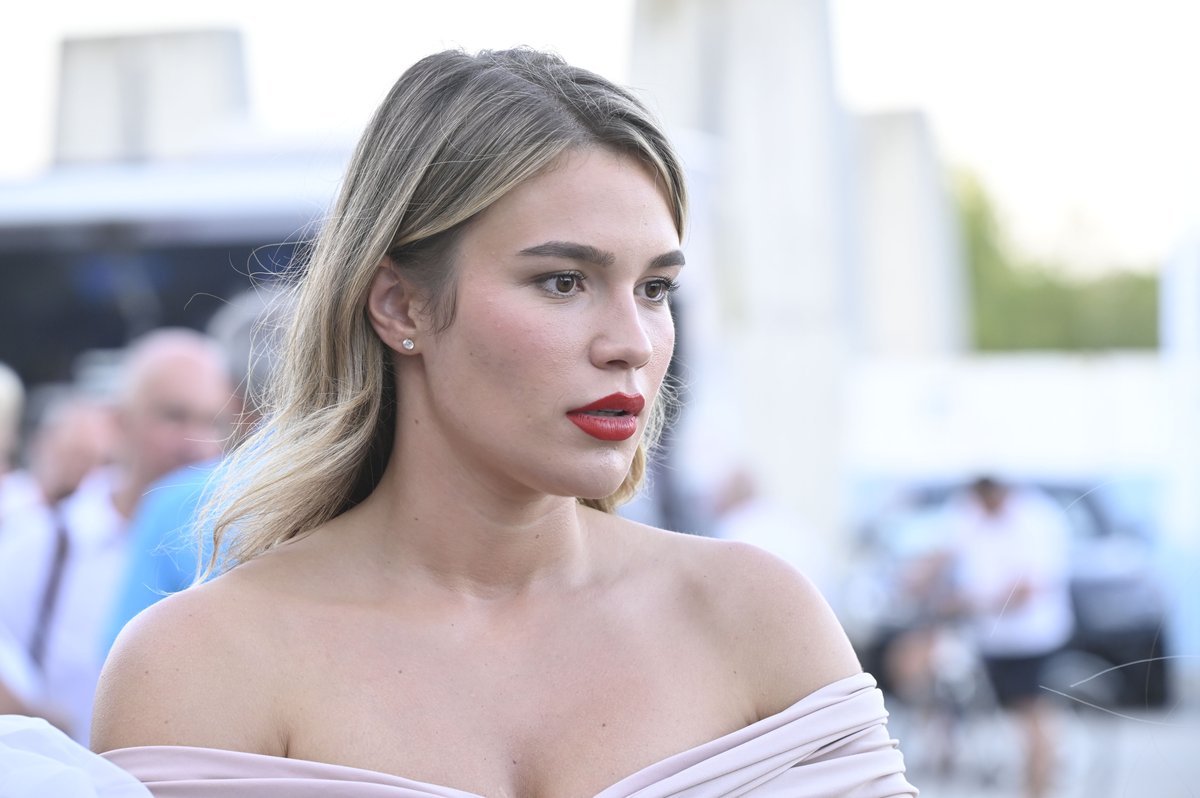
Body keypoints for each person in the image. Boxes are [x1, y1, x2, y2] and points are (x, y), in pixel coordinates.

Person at [91, 48, 915, 796]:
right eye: (563, 282)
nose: (631, 343)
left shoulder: (754, 615)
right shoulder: (200, 662)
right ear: (400, 304)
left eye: (655, 289)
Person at [0, 328, 232, 742]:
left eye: (213, 422)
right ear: (120, 422)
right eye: (174, 416)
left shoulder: (235, 547)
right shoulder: (41, 546)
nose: (195, 442)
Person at [937, 476, 1074, 798]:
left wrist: (970, 602)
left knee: (1031, 715)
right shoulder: (974, 514)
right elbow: (949, 551)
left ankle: (1039, 787)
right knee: (1012, 716)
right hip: (993, 638)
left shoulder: (1036, 520)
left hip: (1030, 638)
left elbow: (1027, 590)